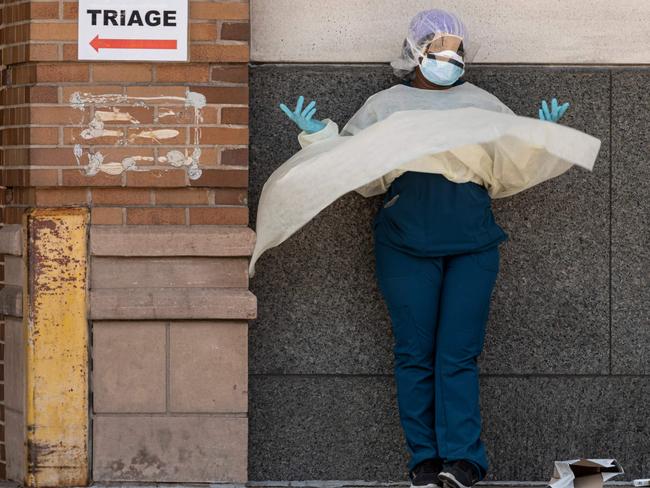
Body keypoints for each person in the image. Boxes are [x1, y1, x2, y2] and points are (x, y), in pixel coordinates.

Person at [278, 9, 570, 488]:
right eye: (439, 50)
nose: (449, 59)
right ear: (415, 53)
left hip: (472, 243)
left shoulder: (483, 104)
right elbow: (358, 169)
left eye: (457, 51)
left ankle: (463, 462)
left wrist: (542, 140)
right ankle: (425, 462)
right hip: (405, 241)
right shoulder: (384, 105)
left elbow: (509, 169)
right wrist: (319, 138)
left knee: (458, 352)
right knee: (415, 353)